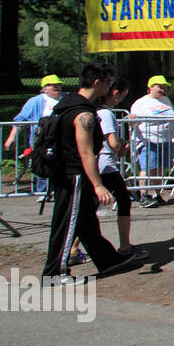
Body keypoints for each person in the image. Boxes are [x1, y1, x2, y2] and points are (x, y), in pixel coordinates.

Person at [41, 63, 137, 283]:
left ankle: (108, 259)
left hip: (67, 173)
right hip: (73, 174)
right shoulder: (84, 114)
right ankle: (55, 273)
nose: (110, 87)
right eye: (108, 82)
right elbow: (85, 153)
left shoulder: (66, 106)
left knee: (85, 219)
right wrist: (98, 185)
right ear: (97, 83)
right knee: (68, 222)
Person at [94, 77, 147, 263]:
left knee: (90, 208)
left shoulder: (96, 110)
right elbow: (113, 142)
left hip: (99, 165)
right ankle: (125, 246)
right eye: (123, 94)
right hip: (105, 166)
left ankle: (75, 249)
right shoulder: (106, 114)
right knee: (124, 201)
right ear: (116, 93)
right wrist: (122, 146)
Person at [4, 73, 63, 192]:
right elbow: (21, 120)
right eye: (52, 85)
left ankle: (59, 191)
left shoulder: (66, 98)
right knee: (43, 165)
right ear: (44, 88)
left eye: (58, 85)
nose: (57, 87)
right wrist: (12, 137)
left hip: (62, 140)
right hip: (42, 141)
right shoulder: (35, 101)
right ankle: (43, 192)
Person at [129, 75, 174, 207]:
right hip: (147, 140)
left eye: (163, 87)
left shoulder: (166, 100)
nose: (162, 90)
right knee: (147, 168)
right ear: (150, 87)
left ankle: (157, 194)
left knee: (159, 169)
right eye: (159, 87)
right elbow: (132, 123)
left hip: (165, 139)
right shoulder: (140, 103)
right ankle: (144, 195)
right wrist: (132, 120)